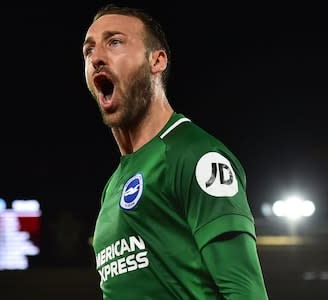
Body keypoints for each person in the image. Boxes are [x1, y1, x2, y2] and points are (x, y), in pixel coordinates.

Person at [82, 4, 269, 299]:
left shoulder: (197, 155)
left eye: (115, 42)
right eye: (89, 50)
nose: (97, 58)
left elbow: (245, 292)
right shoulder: (112, 188)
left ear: (157, 61)